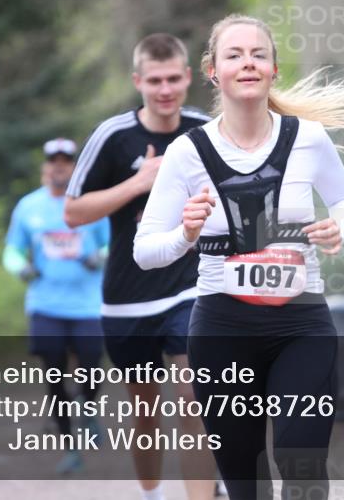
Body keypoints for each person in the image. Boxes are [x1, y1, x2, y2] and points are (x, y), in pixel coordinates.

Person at [133, 14, 344, 499]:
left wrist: (337, 226)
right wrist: (186, 232)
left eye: (258, 54)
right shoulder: (187, 153)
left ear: (274, 69)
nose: (248, 63)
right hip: (222, 330)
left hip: (302, 326)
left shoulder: (308, 138)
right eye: (234, 55)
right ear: (213, 71)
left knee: (301, 463)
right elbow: (144, 252)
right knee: (246, 482)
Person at [64, 33, 216, 500]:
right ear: (138, 82)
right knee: (145, 412)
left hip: (192, 288)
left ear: (188, 77)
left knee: (194, 400)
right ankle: (151, 493)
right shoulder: (113, 136)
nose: (165, 89)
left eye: (174, 78)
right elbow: (73, 212)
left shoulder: (206, 130)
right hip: (129, 297)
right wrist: (138, 183)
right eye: (155, 80)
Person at [3, 137, 109, 474]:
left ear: (76, 167)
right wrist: (21, 267)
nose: (59, 166)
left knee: (91, 365)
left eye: (66, 160)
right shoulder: (28, 207)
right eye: (53, 161)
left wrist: (100, 256)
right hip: (45, 303)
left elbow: (115, 243)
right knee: (54, 376)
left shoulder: (91, 204)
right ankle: (70, 447)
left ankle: (88, 409)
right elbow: (12, 251)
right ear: (44, 168)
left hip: (88, 305)